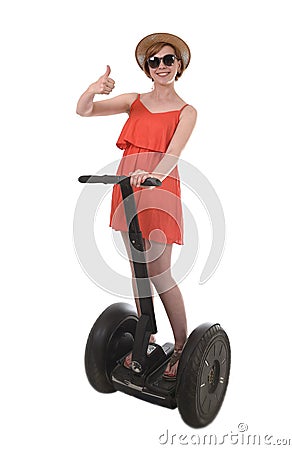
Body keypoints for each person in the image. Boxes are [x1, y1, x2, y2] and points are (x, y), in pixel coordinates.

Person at [76, 33, 197, 380]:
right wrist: (93, 89)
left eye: (169, 59)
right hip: (128, 189)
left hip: (158, 190)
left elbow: (173, 154)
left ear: (180, 65)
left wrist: (152, 176)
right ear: (147, 68)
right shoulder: (134, 101)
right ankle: (147, 338)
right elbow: (84, 110)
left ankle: (181, 346)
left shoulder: (187, 111)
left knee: (160, 273)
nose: (162, 66)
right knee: (138, 272)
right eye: (155, 61)